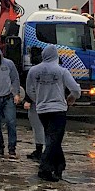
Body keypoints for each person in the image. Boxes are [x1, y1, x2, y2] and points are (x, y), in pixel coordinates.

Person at [26, 44, 81, 181]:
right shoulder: (62, 71)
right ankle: (44, 169)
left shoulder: (33, 71)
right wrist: (70, 98)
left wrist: (38, 100)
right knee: (53, 139)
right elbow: (76, 89)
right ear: (56, 56)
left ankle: (59, 166)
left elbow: (29, 90)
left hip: (42, 110)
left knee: (53, 138)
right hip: (58, 109)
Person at [23, 95, 46, 161]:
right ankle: (40, 150)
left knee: (38, 126)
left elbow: (31, 88)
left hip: (37, 101)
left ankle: (40, 151)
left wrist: (28, 100)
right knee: (38, 127)